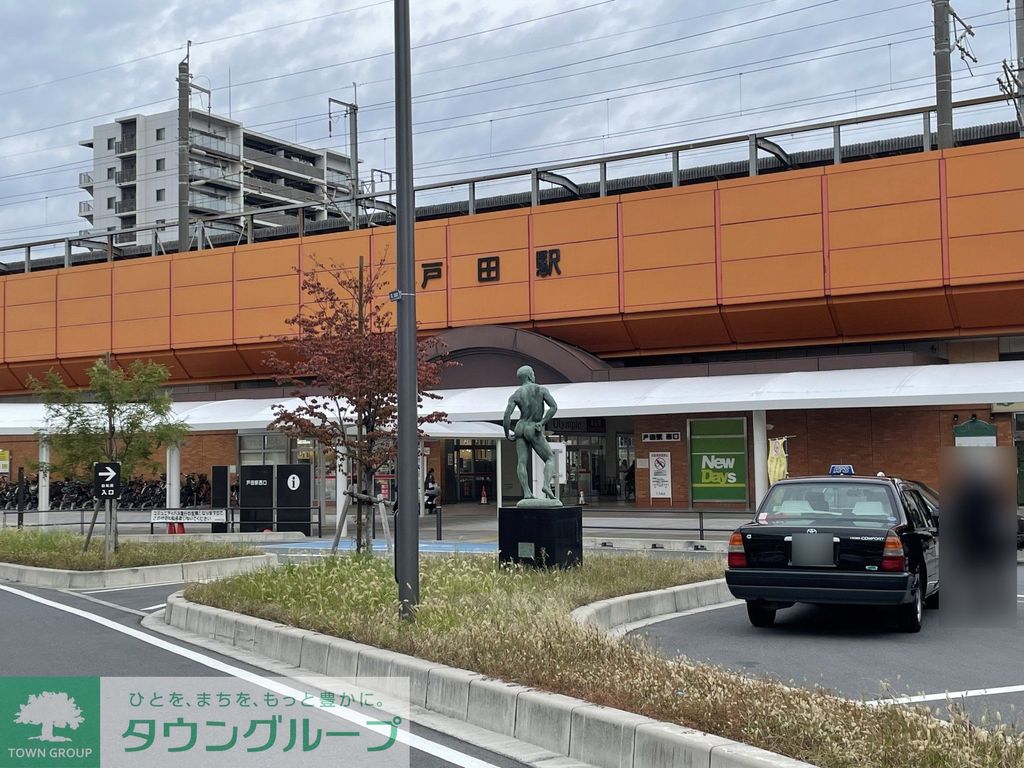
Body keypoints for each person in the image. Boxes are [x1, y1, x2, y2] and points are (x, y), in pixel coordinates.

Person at [503, 365, 559, 502]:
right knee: (550, 458)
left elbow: (506, 416)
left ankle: (527, 492)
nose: (534, 375)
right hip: (533, 427)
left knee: (521, 462)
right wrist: (543, 422)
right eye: (533, 373)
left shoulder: (516, 394)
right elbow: (554, 407)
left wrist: (506, 433)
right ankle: (546, 486)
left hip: (520, 427)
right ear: (529, 376)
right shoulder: (540, 389)